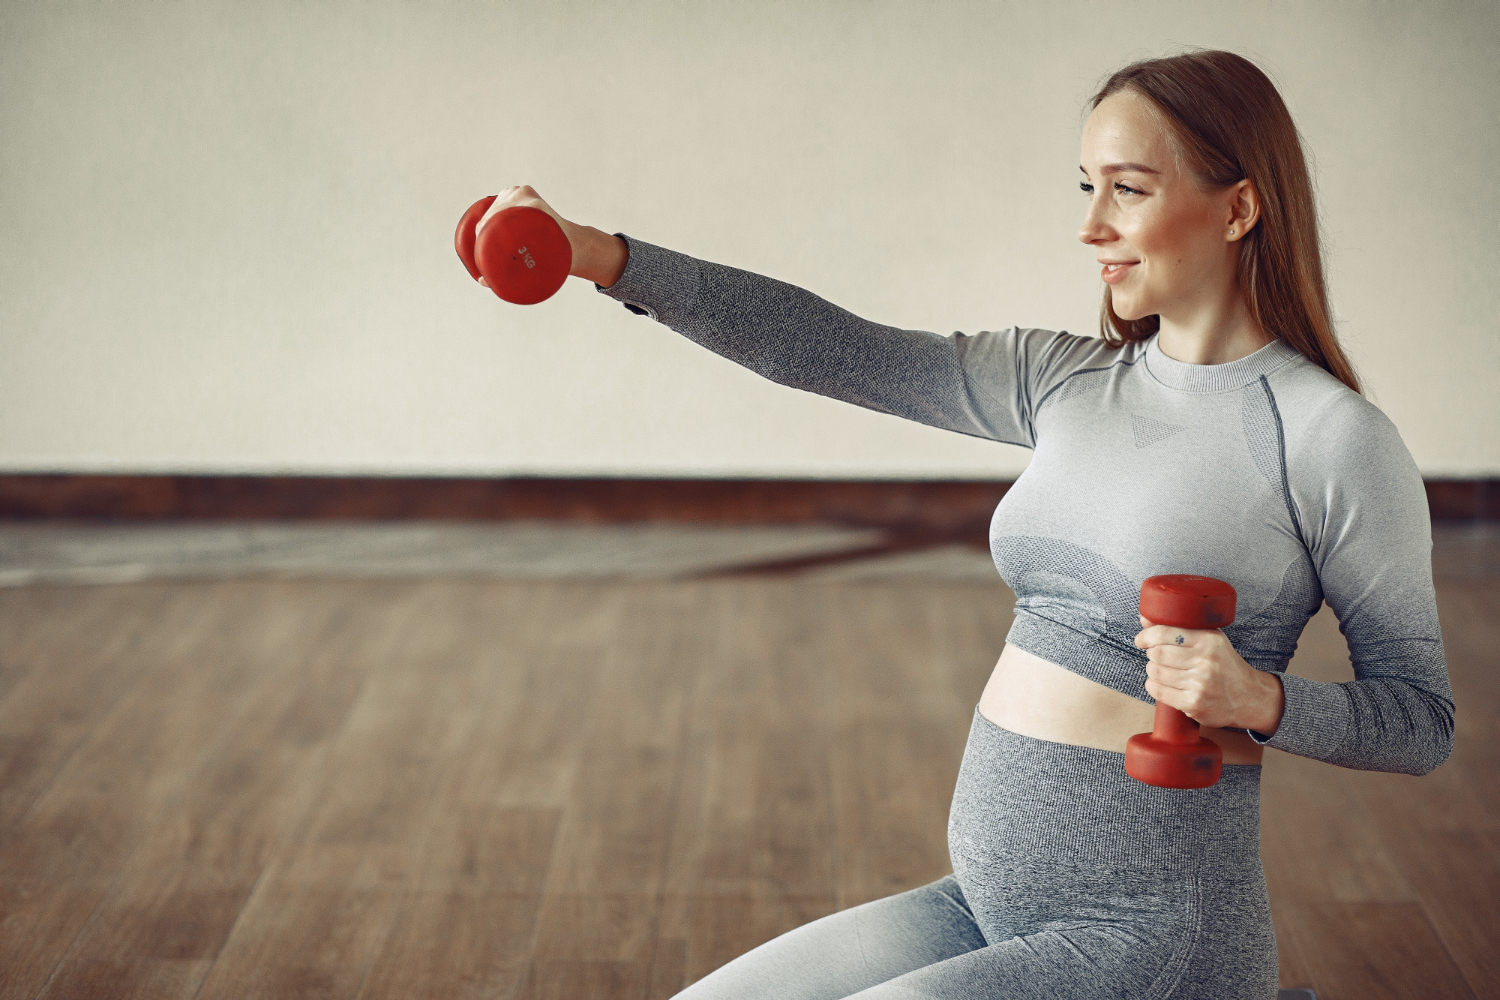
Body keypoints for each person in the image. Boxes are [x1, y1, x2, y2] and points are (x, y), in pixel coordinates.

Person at [471, 48, 1454, 1000]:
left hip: (1149, 938)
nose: (1092, 227)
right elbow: (826, 349)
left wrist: (1259, 698)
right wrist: (598, 255)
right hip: (985, 904)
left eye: (1130, 189)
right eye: (1086, 188)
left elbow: (1421, 721)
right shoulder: (1065, 378)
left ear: (1238, 207)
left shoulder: (1331, 439)